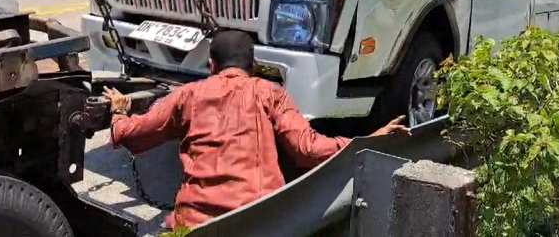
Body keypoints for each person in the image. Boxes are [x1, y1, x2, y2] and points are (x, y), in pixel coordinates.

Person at [103, 30, 410, 232]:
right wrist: (369, 140)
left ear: (211, 64)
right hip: (260, 222)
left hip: (196, 226)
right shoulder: (270, 93)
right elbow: (309, 149)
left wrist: (119, 109)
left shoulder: (188, 96)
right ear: (253, 64)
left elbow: (133, 134)